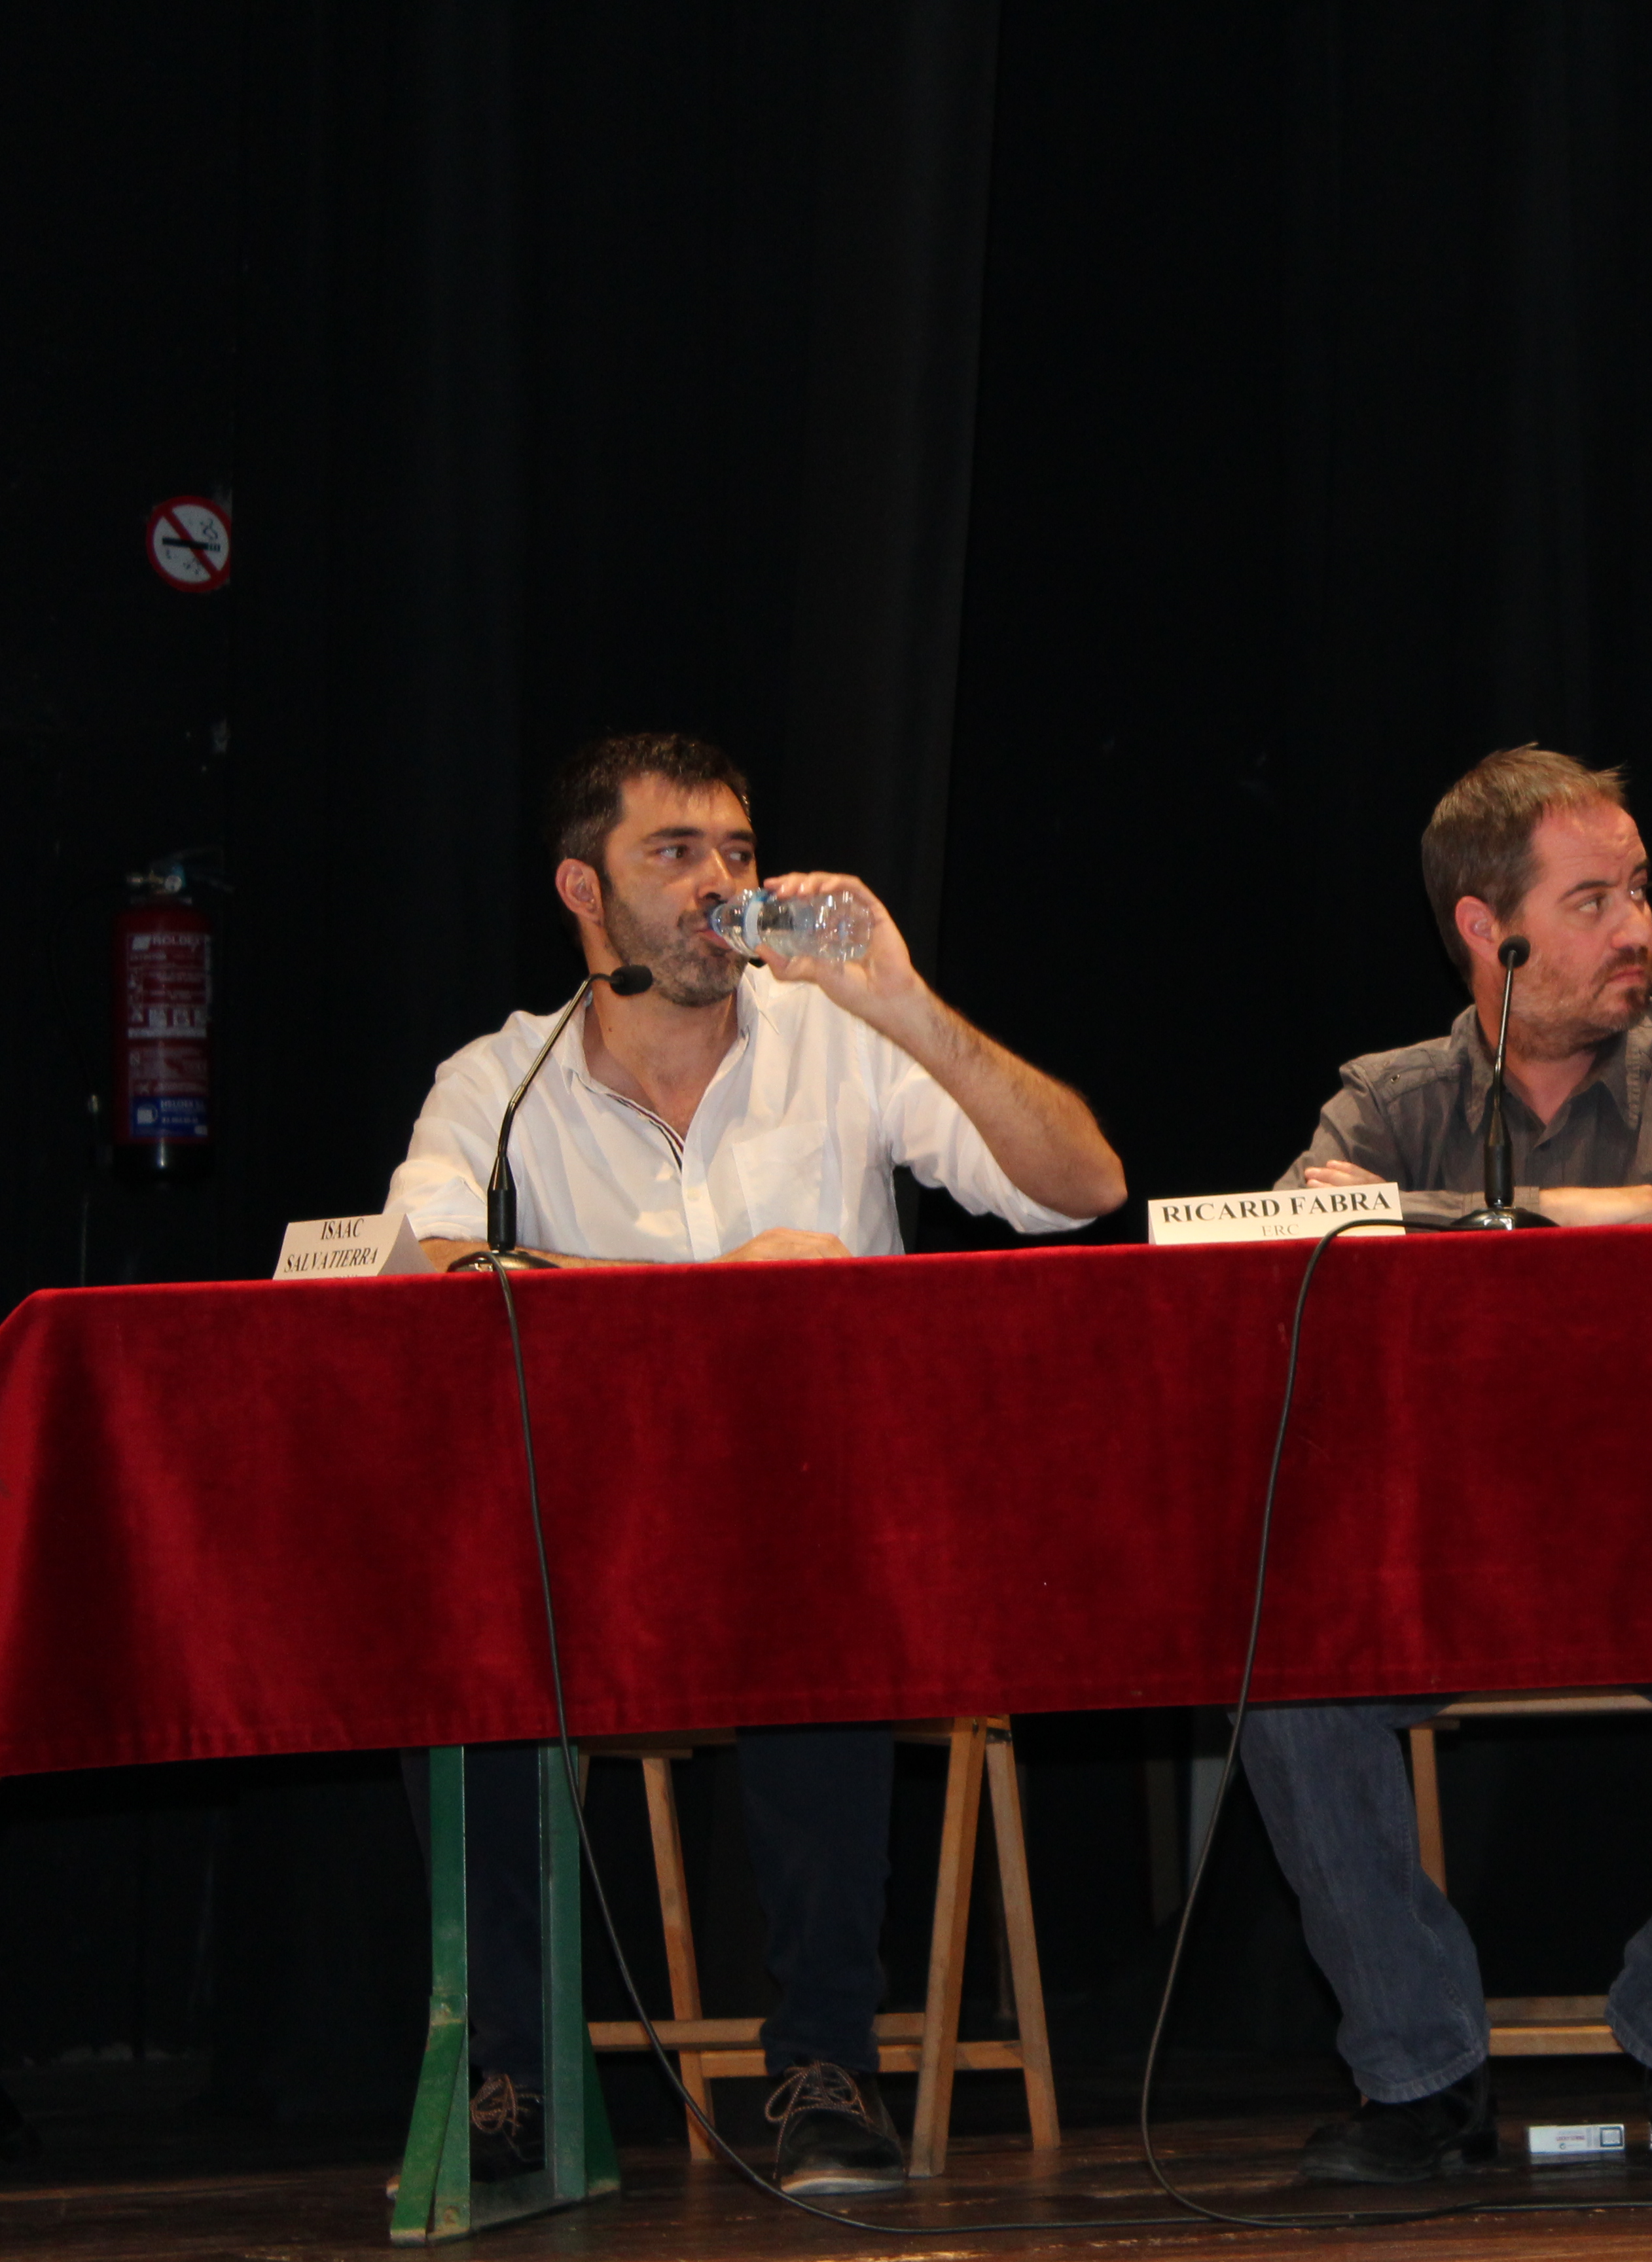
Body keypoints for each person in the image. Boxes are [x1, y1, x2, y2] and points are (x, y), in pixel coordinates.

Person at [384, 732, 1126, 2193]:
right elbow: (430, 1265)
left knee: (818, 1594)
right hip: (602, 1561)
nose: (719, 884)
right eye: (675, 854)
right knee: (456, 1637)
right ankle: (515, 2083)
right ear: (583, 891)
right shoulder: (499, 1075)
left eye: (736, 851)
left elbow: (1083, 1188)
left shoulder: (839, 1041)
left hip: (819, 1544)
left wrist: (904, 1005)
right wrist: (710, 1294)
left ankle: (823, 2068)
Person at [1257, 744, 1652, 2183]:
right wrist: (1580, 1219)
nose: (1637, 928)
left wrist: (1424, 1221)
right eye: (1593, 901)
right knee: (1280, 1675)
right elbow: (1282, 1253)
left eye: (1639, 890)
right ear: (1487, 930)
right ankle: (1421, 2076)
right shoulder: (1385, 1096)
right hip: (1444, 1549)